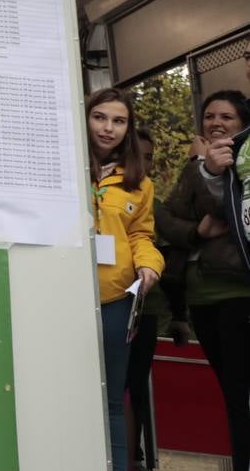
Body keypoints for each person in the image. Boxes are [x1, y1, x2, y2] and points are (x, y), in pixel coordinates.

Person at [161, 90, 250, 471]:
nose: (216, 123)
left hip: (238, 293)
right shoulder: (195, 166)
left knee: (241, 394)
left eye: (226, 117)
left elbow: (226, 210)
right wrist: (196, 231)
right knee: (231, 394)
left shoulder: (240, 163)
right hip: (200, 296)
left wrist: (212, 170)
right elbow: (166, 219)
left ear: (243, 123)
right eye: (209, 116)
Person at [85, 88, 163, 471]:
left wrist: (150, 266)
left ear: (128, 129)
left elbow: (140, 235)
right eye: (99, 117)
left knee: (113, 400)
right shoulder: (60, 168)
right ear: (85, 118)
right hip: (61, 298)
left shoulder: (139, 182)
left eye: (118, 121)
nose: (108, 128)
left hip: (115, 300)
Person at [128, 127, 190, 471]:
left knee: (135, 387)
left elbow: (173, 253)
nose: (143, 162)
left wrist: (179, 315)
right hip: (106, 306)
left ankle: (134, 457)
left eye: (149, 156)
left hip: (145, 311)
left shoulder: (154, 201)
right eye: (137, 154)